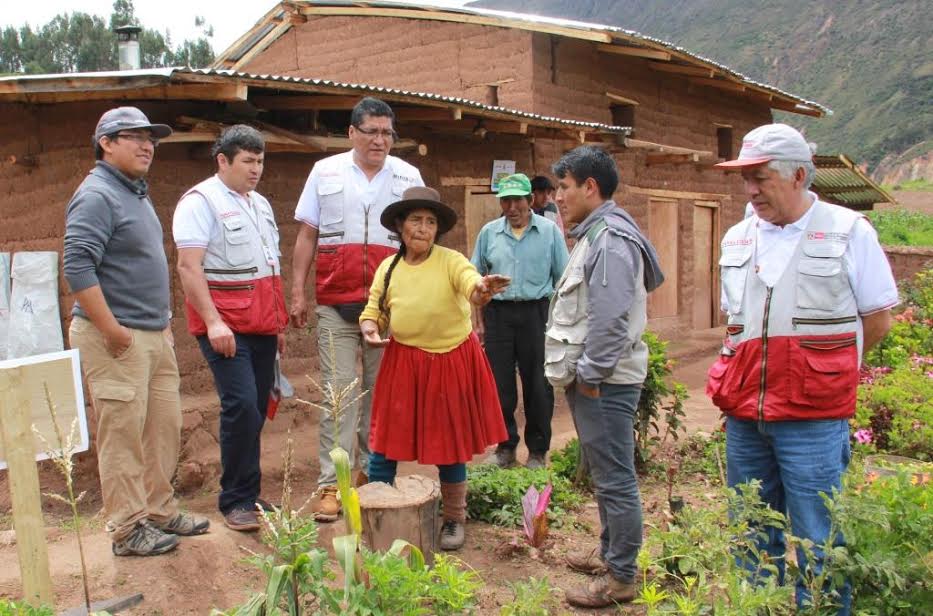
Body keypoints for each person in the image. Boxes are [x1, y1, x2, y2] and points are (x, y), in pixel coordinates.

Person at [708, 123, 897, 614]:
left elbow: (877, 319)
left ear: (797, 175)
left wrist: (822, 373)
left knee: (819, 538)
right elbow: (736, 324)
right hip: (747, 418)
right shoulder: (737, 236)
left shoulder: (848, 230)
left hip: (813, 419)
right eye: (745, 177)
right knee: (751, 533)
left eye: (761, 177)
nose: (750, 189)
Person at [64, 106, 209, 557]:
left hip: (150, 335)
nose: (148, 145)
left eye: (152, 139)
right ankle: (127, 530)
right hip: (115, 337)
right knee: (123, 435)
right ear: (106, 143)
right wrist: (113, 331)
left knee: (163, 428)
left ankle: (160, 510)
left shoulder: (134, 192)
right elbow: (77, 265)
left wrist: (162, 325)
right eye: (135, 137)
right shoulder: (97, 195)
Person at [290, 97, 424, 521]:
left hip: (389, 309)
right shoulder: (324, 171)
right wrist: (297, 292)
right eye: (371, 132)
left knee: (381, 397)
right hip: (335, 303)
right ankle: (332, 484)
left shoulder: (408, 175)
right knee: (339, 394)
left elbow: (421, 244)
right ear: (352, 133)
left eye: (387, 133)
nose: (380, 141)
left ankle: (372, 475)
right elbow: (307, 235)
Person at [359, 186, 510, 550]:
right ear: (400, 225)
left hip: (449, 360)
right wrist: (369, 327)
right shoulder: (389, 266)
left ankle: (454, 519)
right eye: (416, 220)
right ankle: (379, 513)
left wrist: (483, 290)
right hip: (403, 362)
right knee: (385, 442)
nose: (423, 228)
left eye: (430, 222)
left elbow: (471, 285)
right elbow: (373, 309)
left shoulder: (450, 259)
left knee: (449, 443)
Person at [546, 146, 664, 608]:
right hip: (603, 379)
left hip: (606, 382)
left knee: (615, 477)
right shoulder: (598, 234)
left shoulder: (610, 241)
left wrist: (591, 375)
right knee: (607, 471)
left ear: (590, 188)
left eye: (564, 187)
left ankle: (619, 580)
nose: (558, 196)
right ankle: (613, 553)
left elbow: (611, 320)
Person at [174, 125, 287, 532]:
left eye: (260, 161)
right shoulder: (199, 202)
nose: (256, 169)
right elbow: (189, 266)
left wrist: (278, 327)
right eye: (248, 161)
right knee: (239, 406)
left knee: (255, 410)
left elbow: (269, 268)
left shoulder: (260, 205)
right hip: (224, 327)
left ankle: (250, 495)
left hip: (261, 325)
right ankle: (235, 499)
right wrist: (213, 321)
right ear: (223, 160)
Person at [471, 173, 569, 469]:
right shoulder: (489, 233)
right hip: (498, 315)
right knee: (500, 385)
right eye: (506, 201)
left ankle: (538, 451)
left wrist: (558, 324)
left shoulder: (550, 232)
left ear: (530, 201)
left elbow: (562, 279)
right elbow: (473, 275)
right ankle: (505, 447)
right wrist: (482, 297)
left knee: (538, 384)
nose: (512, 207)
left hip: (536, 314)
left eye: (518, 201)